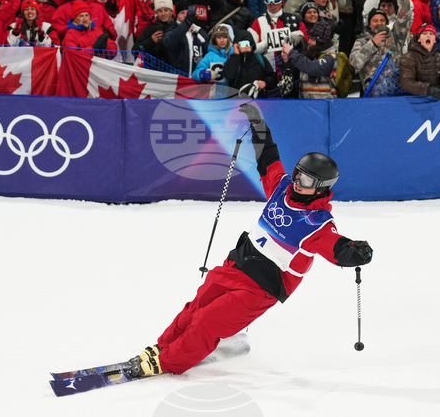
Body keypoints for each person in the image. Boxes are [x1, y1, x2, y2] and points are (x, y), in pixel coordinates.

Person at [125, 103, 372, 378]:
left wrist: (357, 252)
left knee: (208, 321)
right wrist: (259, 126)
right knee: (197, 306)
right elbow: (268, 159)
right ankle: (163, 347)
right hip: (240, 263)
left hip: (262, 286)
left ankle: (169, 362)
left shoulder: (317, 224)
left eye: (308, 181)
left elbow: (338, 249)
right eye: (299, 174)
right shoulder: (282, 188)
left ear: (321, 188)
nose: (299, 183)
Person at [398, 24, 440, 99]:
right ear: (419, 39)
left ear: (435, 40)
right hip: (414, 100)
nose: (428, 36)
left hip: (435, 98)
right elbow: (406, 83)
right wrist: (428, 89)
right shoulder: (409, 58)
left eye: (431, 34)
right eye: (425, 34)